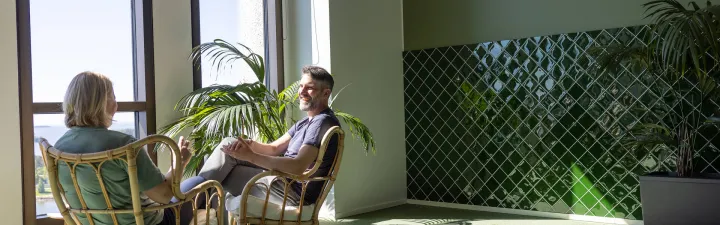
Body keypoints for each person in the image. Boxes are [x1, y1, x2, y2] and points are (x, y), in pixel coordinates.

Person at [54, 71, 204, 225]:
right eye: (113, 97)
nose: (116, 105)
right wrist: (179, 162)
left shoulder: (59, 148)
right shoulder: (123, 145)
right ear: (101, 103)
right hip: (151, 222)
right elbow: (165, 195)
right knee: (204, 183)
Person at [195, 65, 341, 207]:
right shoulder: (306, 122)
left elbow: (298, 166)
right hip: (281, 181)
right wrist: (249, 144)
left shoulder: (322, 122)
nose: (301, 92)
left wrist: (250, 156)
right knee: (229, 143)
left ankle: (190, 206)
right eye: (301, 86)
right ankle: (194, 206)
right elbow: (274, 148)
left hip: (291, 191)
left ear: (325, 94)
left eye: (309, 88)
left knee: (222, 175)